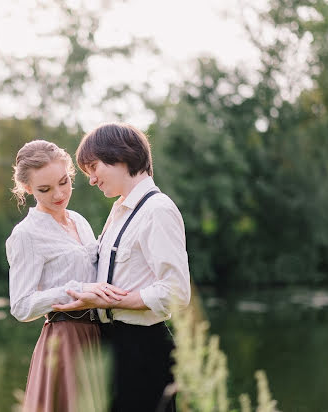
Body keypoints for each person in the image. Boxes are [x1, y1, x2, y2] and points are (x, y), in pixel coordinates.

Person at [53, 123, 191, 412]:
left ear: (120, 156)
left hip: (143, 348)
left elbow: (176, 292)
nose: (91, 179)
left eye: (93, 167)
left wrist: (107, 300)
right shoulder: (120, 210)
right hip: (113, 345)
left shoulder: (158, 210)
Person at [6, 140, 127, 412]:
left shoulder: (79, 221)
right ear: (28, 189)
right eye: (45, 189)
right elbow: (21, 306)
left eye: (64, 182)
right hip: (65, 341)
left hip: (99, 335)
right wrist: (74, 290)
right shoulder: (26, 234)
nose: (59, 194)